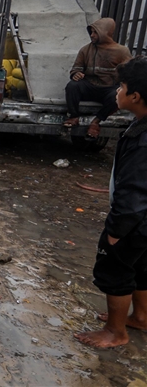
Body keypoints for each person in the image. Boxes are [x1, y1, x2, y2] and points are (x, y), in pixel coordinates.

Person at [75, 56, 147, 348]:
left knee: (115, 270)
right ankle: (141, 317)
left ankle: (116, 332)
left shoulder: (142, 141)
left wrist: (115, 232)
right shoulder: (141, 127)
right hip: (143, 224)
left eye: (122, 86)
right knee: (141, 267)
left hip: (135, 223)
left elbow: (133, 193)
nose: (117, 91)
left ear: (135, 96)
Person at [64, 18, 132, 139]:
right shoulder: (86, 49)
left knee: (118, 95)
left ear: (105, 32)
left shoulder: (122, 51)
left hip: (108, 88)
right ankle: (74, 116)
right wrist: (76, 74)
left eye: (95, 32)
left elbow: (129, 73)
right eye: (91, 32)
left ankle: (96, 121)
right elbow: (76, 68)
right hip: (90, 86)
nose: (92, 35)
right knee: (72, 86)